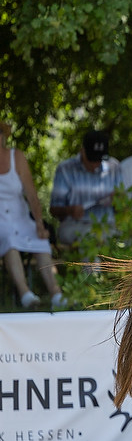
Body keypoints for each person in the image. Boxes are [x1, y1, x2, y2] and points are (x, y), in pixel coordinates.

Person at [0, 122, 67, 308]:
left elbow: (31, 194)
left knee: (40, 240)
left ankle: (56, 294)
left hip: (20, 216)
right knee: (9, 241)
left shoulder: (16, 157)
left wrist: (39, 223)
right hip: (0, 221)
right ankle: (26, 294)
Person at [49, 129, 123, 245]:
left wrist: (118, 200)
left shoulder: (114, 167)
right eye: (91, 159)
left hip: (108, 225)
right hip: (74, 225)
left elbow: (122, 207)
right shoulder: (65, 169)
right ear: (82, 151)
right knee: (91, 238)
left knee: (128, 239)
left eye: (99, 160)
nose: (95, 164)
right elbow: (53, 210)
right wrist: (70, 210)